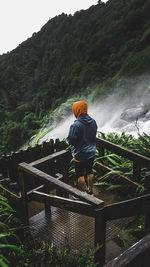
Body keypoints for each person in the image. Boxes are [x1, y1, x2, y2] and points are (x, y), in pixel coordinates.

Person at [67, 100, 97, 194]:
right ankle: (90, 190)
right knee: (89, 171)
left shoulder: (75, 125)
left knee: (80, 174)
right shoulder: (93, 121)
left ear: (77, 110)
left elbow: (71, 141)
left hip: (79, 155)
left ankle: (82, 194)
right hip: (91, 152)